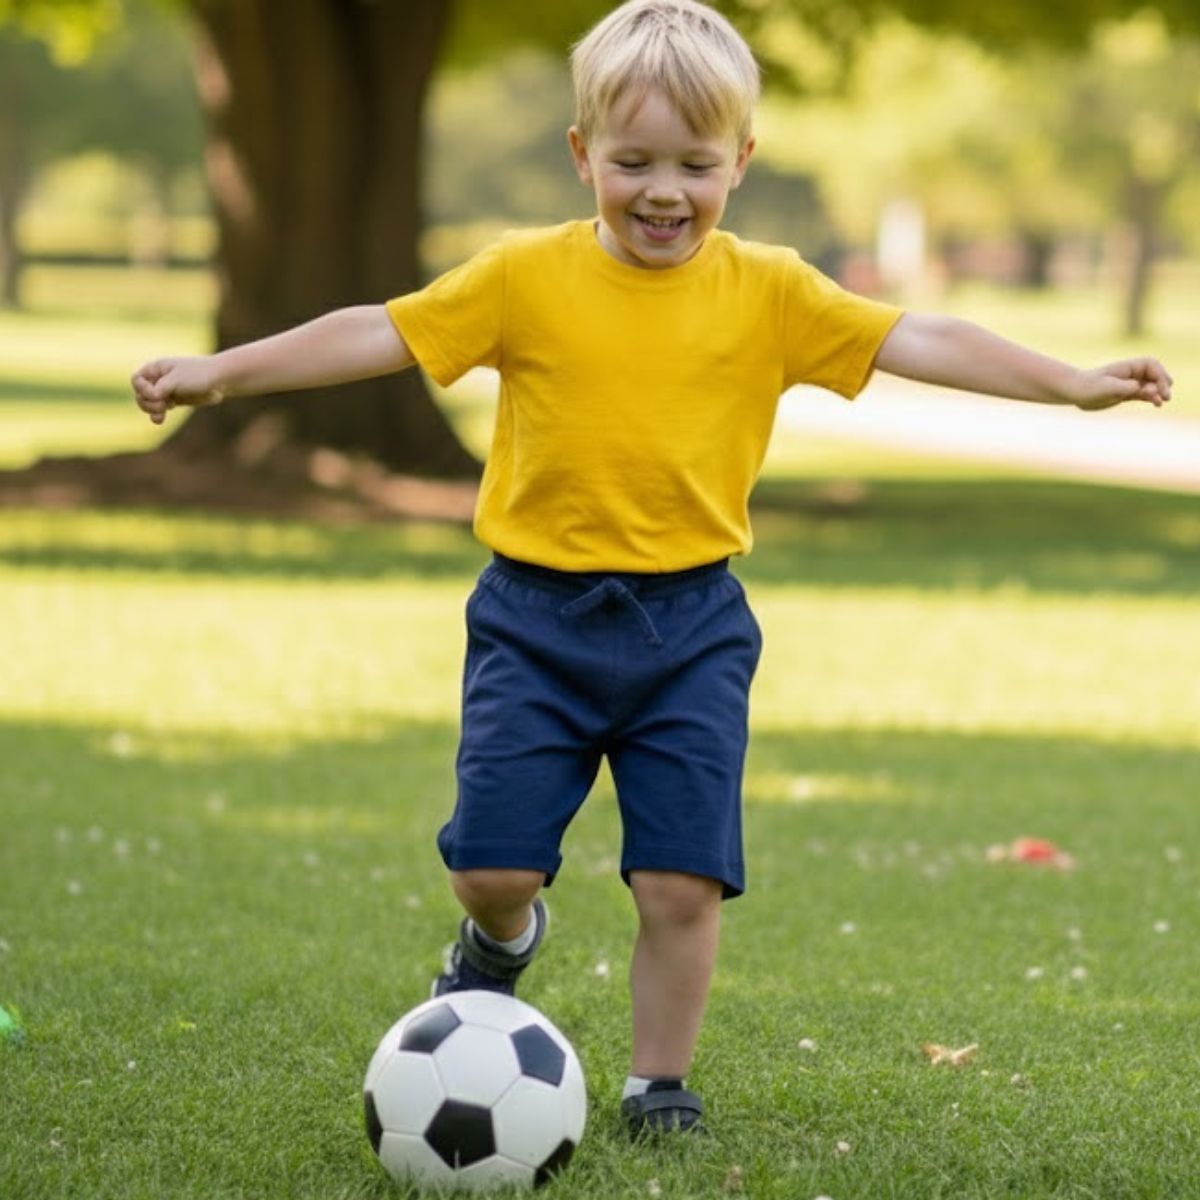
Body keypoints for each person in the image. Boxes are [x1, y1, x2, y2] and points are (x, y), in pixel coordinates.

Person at [132, 0, 1172, 1139]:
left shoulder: (772, 289)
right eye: (633, 162)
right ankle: (497, 942)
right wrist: (220, 372)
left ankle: (656, 1085)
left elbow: (919, 338)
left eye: (695, 163)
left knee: (680, 880)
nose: (664, 190)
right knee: (492, 867)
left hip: (692, 628)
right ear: (583, 156)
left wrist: (1071, 382)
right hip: (534, 621)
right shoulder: (522, 278)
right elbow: (377, 332)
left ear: (742, 160)